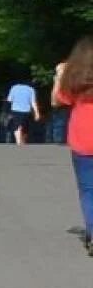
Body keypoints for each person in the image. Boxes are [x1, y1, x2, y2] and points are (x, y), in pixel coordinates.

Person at [52, 37, 93, 255]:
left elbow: (56, 100)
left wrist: (59, 75)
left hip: (84, 139)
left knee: (88, 190)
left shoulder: (77, 83)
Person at [7, 77, 41, 145]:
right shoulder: (31, 89)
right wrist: (37, 113)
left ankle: (18, 141)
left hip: (15, 110)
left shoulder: (14, 88)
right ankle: (23, 141)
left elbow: (9, 100)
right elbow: (33, 102)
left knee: (17, 127)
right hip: (26, 111)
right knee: (25, 127)